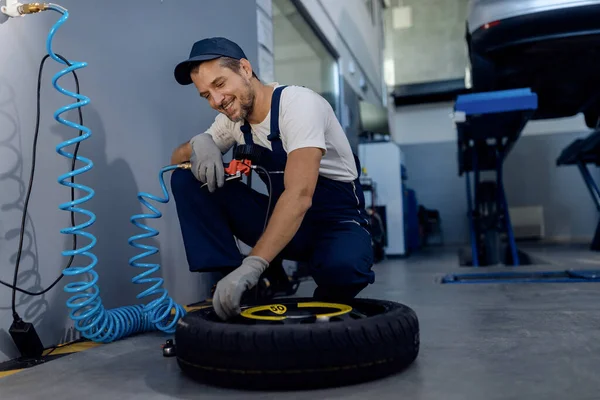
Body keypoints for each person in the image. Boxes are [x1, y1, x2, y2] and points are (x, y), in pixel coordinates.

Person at [169, 37, 374, 320]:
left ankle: (306, 293)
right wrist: (199, 143)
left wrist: (253, 264)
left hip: (335, 223)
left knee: (345, 268)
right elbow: (175, 161)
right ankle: (233, 278)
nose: (216, 101)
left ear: (244, 68)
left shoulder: (299, 105)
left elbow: (300, 195)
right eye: (206, 95)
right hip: (283, 220)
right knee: (186, 179)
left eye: (219, 84)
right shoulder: (232, 121)